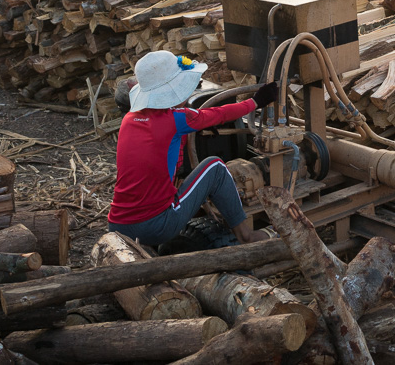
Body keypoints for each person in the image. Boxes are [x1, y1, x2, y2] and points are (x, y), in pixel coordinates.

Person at [108, 50, 278, 247]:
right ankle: (246, 235)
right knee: (215, 168)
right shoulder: (176, 120)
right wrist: (256, 101)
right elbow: (220, 113)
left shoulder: (129, 120)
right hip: (156, 226)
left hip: (117, 225)